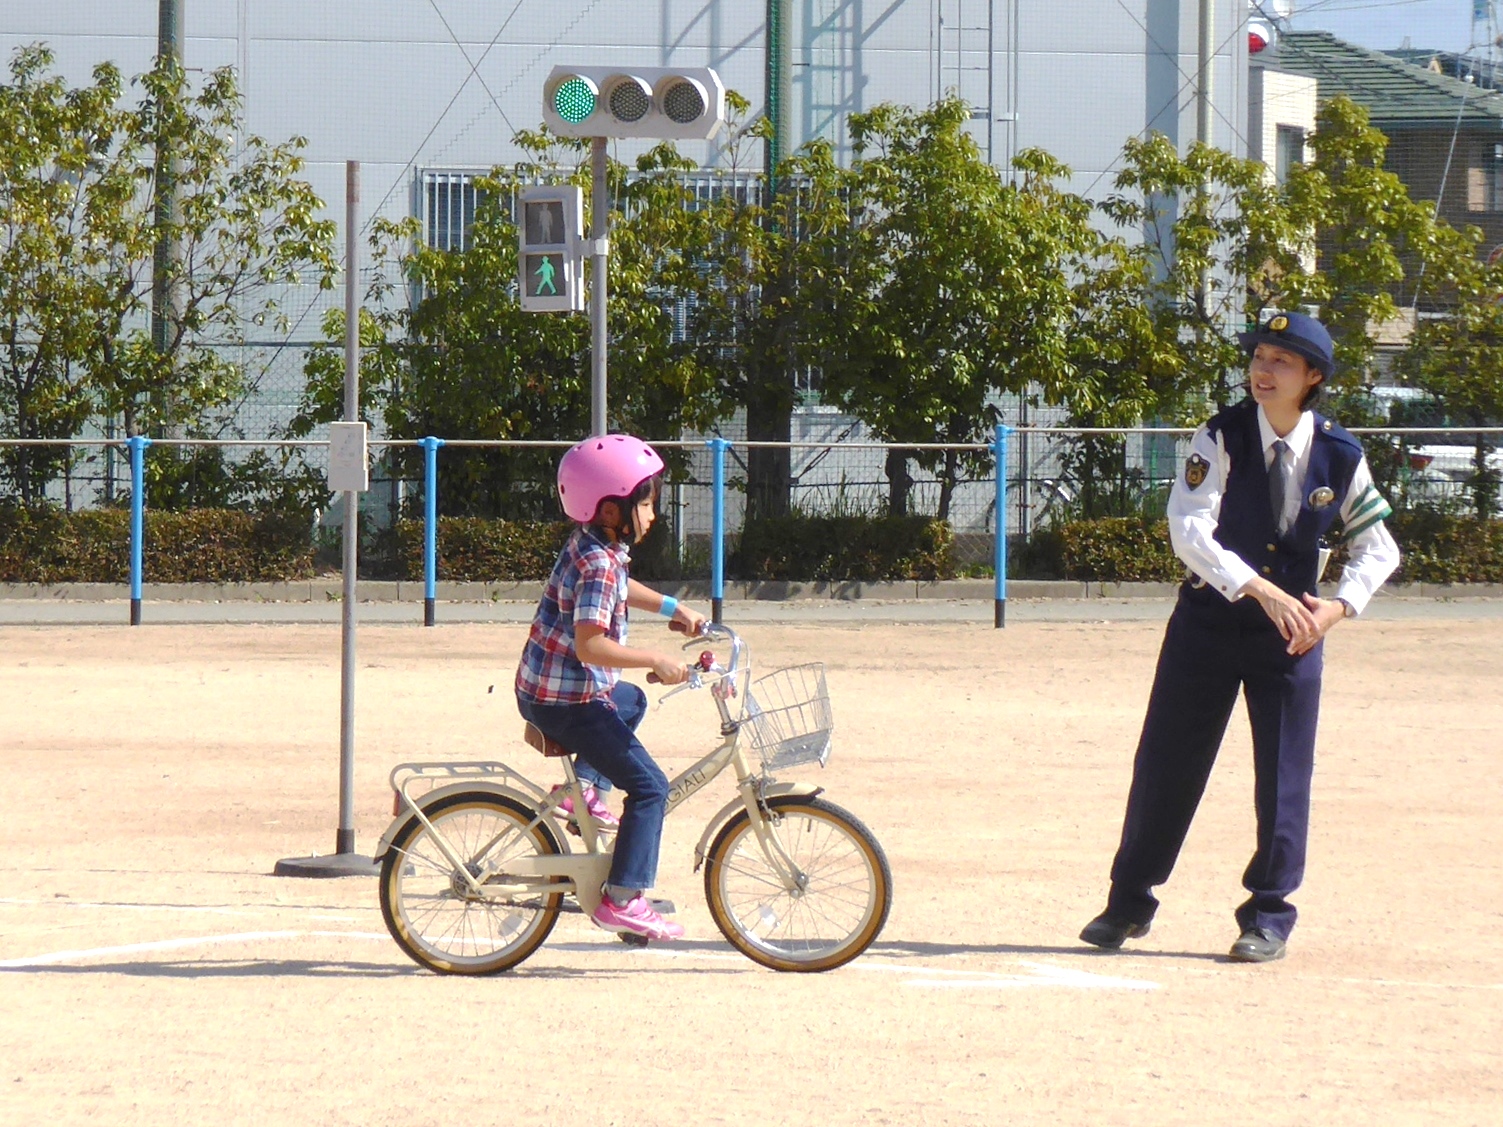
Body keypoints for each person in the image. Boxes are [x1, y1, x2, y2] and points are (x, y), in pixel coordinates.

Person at [1079, 312, 1400, 963]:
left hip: (1291, 639)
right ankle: (1127, 900)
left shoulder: (1339, 454)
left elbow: (1378, 546)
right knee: (1166, 763)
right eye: (1259, 354)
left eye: (1282, 360)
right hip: (1206, 625)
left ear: (1311, 377)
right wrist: (1260, 587)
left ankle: (1267, 914)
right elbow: (1189, 527)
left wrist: (1336, 608)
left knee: (1283, 776)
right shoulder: (1219, 434)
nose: (1263, 368)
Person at [515, 434, 706, 941]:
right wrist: (656, 659)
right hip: (566, 701)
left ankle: (581, 792)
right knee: (650, 787)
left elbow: (623, 589)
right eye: (644, 502)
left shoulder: (596, 546)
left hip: (551, 691)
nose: (652, 513)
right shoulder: (599, 562)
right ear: (609, 507)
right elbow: (591, 646)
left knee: (630, 698)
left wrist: (673, 608)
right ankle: (622, 898)